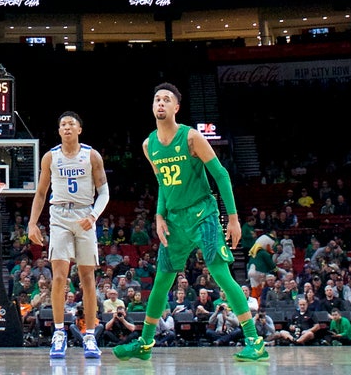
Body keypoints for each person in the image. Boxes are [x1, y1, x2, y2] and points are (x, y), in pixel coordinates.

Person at [112, 83, 267, 363]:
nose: (160, 103)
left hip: (202, 215)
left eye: (166, 99)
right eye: (157, 99)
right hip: (174, 221)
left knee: (221, 275)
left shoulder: (191, 137)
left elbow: (221, 175)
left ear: (176, 107)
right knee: (161, 281)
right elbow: (163, 183)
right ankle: (145, 343)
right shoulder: (148, 145)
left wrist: (233, 218)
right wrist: (159, 216)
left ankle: (254, 341)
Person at [28, 111, 109, 359]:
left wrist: (93, 216)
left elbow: (104, 192)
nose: (66, 127)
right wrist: (32, 223)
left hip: (85, 214)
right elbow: (41, 193)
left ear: (79, 129)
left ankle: (90, 335)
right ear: (59, 130)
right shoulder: (50, 157)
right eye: (63, 124)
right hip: (59, 216)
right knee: (59, 277)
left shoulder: (91, 155)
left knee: (87, 278)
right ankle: (59, 333)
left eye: (71, 124)